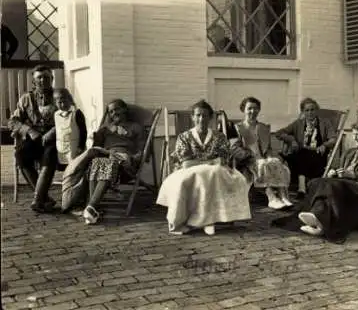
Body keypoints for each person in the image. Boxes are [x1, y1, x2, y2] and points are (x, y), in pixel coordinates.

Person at [272, 120, 358, 244]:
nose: (356, 137)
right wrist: (334, 172)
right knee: (318, 182)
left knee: (332, 185)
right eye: (354, 134)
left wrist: (353, 174)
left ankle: (319, 221)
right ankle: (317, 220)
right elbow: (341, 168)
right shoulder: (349, 152)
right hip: (345, 184)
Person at [156, 100, 251, 236]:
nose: (201, 119)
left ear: (210, 118)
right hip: (189, 172)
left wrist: (206, 162)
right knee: (202, 174)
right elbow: (186, 164)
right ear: (193, 117)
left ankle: (209, 219)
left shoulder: (219, 136)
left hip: (214, 172)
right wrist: (211, 161)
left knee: (217, 173)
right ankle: (204, 220)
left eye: (205, 116)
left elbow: (223, 160)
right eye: (198, 115)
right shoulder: (184, 137)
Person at [61, 99, 144, 224]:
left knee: (105, 162)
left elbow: (141, 151)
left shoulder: (136, 127)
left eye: (117, 109)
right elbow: (96, 148)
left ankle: (91, 206)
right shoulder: (106, 128)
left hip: (124, 161)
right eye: (110, 111)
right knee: (97, 162)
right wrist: (99, 133)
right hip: (106, 156)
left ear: (125, 109)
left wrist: (132, 159)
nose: (113, 113)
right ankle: (92, 208)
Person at [8, 65, 58, 213]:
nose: (43, 80)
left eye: (47, 77)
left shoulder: (60, 95)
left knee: (49, 154)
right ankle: (44, 198)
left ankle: (37, 199)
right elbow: (13, 121)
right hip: (34, 138)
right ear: (34, 82)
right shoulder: (26, 98)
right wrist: (29, 130)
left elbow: (70, 115)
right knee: (20, 154)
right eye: (39, 78)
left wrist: (53, 131)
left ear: (52, 79)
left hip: (53, 139)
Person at [231, 97, 293, 210]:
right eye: (249, 108)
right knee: (262, 165)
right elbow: (234, 148)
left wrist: (269, 157)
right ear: (243, 110)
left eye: (255, 108)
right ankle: (272, 197)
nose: (252, 111)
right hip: (247, 161)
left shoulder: (263, 127)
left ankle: (283, 196)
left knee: (276, 162)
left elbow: (268, 148)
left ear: (259, 110)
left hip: (263, 159)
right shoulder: (237, 128)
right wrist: (251, 156)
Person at [276, 98, 337, 197]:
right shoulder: (298, 123)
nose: (310, 113)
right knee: (299, 154)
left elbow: (333, 139)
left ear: (317, 110)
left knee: (296, 155)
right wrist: (292, 140)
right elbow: (279, 133)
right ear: (303, 112)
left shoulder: (325, 123)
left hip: (317, 156)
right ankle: (300, 187)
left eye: (312, 110)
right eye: (307, 110)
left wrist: (324, 145)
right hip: (301, 155)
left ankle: (301, 187)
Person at [53, 88, 87, 165]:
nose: (63, 104)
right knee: (65, 168)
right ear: (55, 103)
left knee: (75, 168)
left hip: (75, 148)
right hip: (62, 148)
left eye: (65, 101)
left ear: (70, 99)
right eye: (59, 102)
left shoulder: (77, 113)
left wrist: (80, 147)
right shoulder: (56, 115)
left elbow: (83, 131)